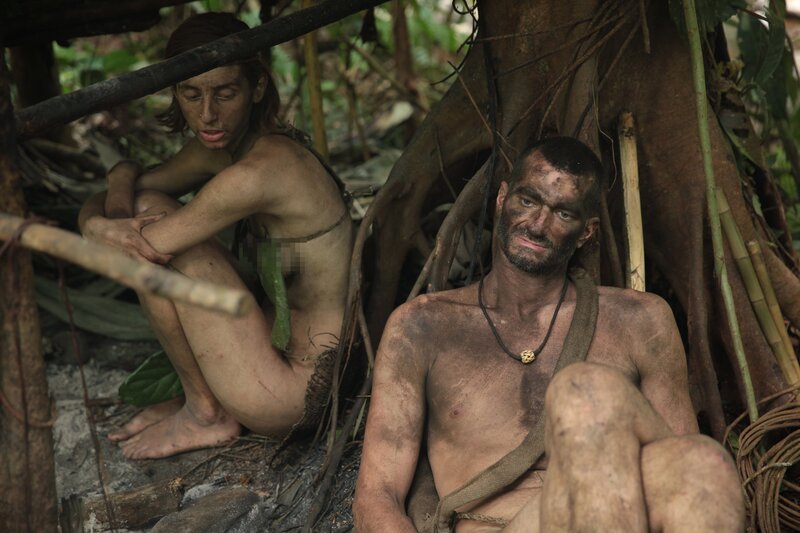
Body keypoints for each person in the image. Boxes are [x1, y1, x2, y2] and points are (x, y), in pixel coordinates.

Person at [353, 137, 743, 532]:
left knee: (702, 464)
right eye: (528, 200)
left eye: (563, 213)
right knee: (587, 391)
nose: (538, 224)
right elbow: (377, 495)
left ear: (588, 231)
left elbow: (675, 467)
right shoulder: (421, 326)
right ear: (502, 197)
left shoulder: (640, 320)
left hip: (612, 515)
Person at [78, 12, 353, 460]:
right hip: (271, 354)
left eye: (225, 93)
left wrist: (103, 221)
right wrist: (112, 195)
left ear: (257, 88)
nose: (207, 113)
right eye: (191, 94)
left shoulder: (260, 171)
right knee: (147, 205)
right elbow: (134, 196)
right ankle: (204, 399)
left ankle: (207, 412)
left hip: (294, 393)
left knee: (151, 233)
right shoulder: (226, 148)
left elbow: (137, 248)